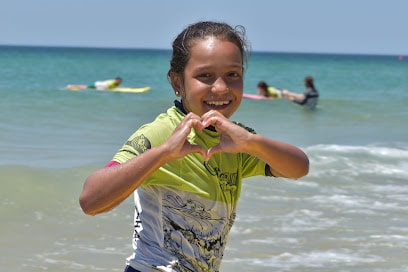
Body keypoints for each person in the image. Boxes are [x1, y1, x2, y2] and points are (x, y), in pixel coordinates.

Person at [79, 21, 309, 272]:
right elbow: (90, 200)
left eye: (233, 75)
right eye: (205, 75)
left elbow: (298, 168)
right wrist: (163, 154)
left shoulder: (235, 140)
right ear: (177, 82)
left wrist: (251, 143)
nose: (221, 88)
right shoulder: (163, 133)